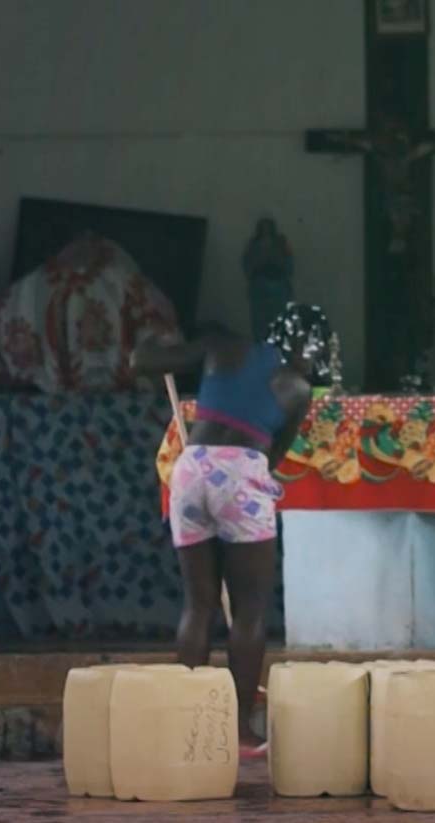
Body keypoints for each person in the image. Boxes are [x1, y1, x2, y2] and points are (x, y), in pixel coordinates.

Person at [131, 303, 331, 757]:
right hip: (243, 474)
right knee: (249, 610)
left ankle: (184, 727)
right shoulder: (298, 388)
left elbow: (142, 362)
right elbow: (271, 457)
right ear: (305, 346)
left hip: (191, 469)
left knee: (198, 605)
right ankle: (238, 731)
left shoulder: (223, 346)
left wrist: (151, 343)